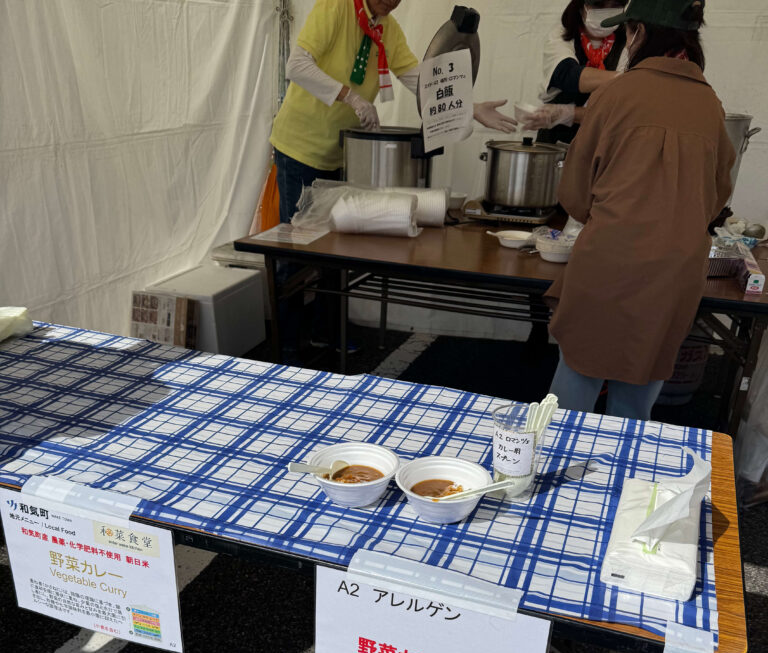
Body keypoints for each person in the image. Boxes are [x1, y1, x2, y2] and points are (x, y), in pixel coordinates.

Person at [543, 0, 735, 420]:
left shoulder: (616, 95)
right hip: (675, 273)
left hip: (608, 262)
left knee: (573, 395)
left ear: (639, 33)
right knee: (637, 401)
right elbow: (717, 198)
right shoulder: (711, 105)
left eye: (627, 31)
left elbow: (575, 195)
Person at [270, 0, 518, 224]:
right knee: (299, 239)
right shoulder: (334, 6)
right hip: (300, 148)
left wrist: (470, 107)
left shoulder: (388, 29)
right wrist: (352, 97)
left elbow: (419, 81)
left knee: (328, 240)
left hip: (339, 153)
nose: (392, 2)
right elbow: (297, 66)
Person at [521, 0, 628, 145]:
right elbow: (566, 75)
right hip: (556, 140)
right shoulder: (562, 35)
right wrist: (627, 78)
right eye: (598, 5)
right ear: (580, 6)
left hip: (603, 140)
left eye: (615, 6)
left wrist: (567, 113)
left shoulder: (628, 41)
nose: (606, 12)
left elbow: (624, 108)